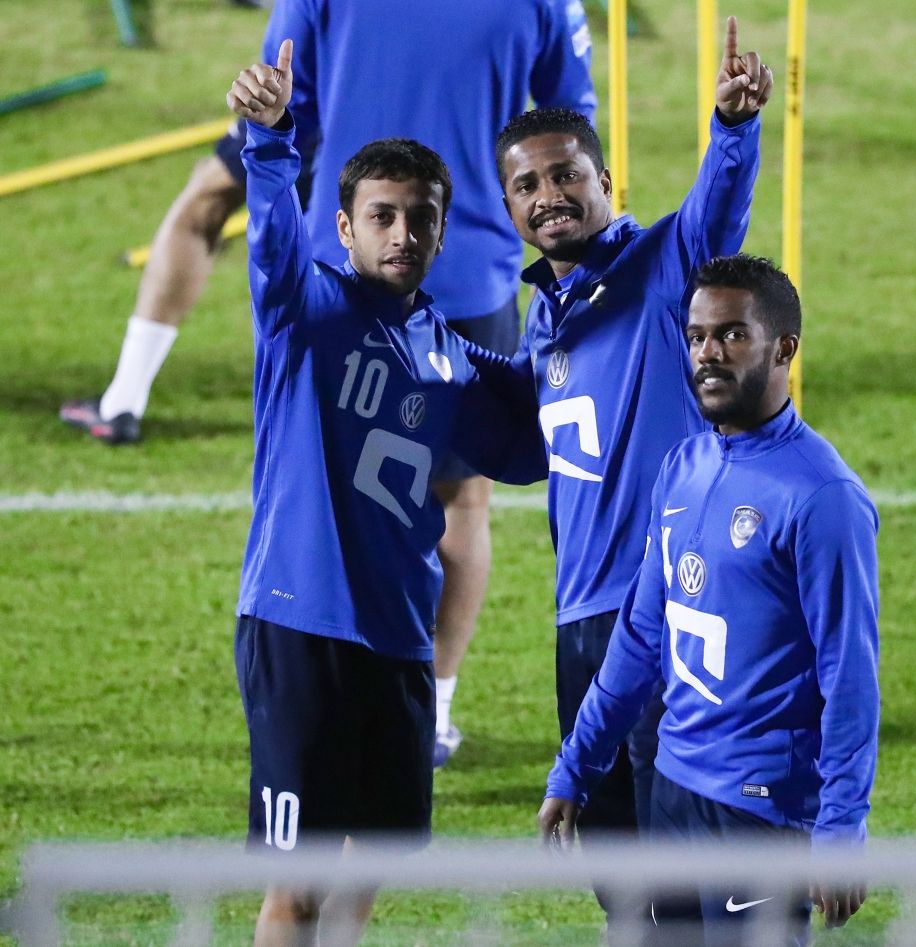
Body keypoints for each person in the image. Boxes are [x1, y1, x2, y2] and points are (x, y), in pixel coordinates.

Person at [60, 0, 596, 768]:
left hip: (339, 270)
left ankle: (332, 693)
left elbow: (286, 99)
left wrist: (276, 151)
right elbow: (568, 130)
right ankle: (432, 705)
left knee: (312, 483)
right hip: (468, 268)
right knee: (460, 502)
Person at [226, 40, 546, 947]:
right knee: (296, 886)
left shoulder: (453, 357)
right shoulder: (303, 310)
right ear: (345, 228)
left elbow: (531, 444)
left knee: (368, 868)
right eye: (382, 216)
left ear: (444, 233)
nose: (402, 233)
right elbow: (270, 241)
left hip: (402, 640)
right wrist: (271, 138)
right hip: (302, 628)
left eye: (420, 218)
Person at [462, 17, 770, 931]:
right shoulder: (546, 319)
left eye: (566, 175)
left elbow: (716, 211)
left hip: (673, 611)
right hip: (582, 624)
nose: (549, 196)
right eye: (527, 185)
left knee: (694, 874)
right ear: (508, 206)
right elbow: (529, 449)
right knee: (620, 877)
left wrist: (732, 126)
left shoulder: (665, 265)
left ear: (605, 181)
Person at [539, 254, 880, 947]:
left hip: (760, 807)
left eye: (732, 335)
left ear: (783, 348)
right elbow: (641, 637)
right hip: (672, 785)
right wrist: (578, 763)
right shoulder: (684, 465)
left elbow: (849, 674)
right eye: (696, 336)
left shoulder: (824, 498)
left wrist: (842, 823)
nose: (708, 353)